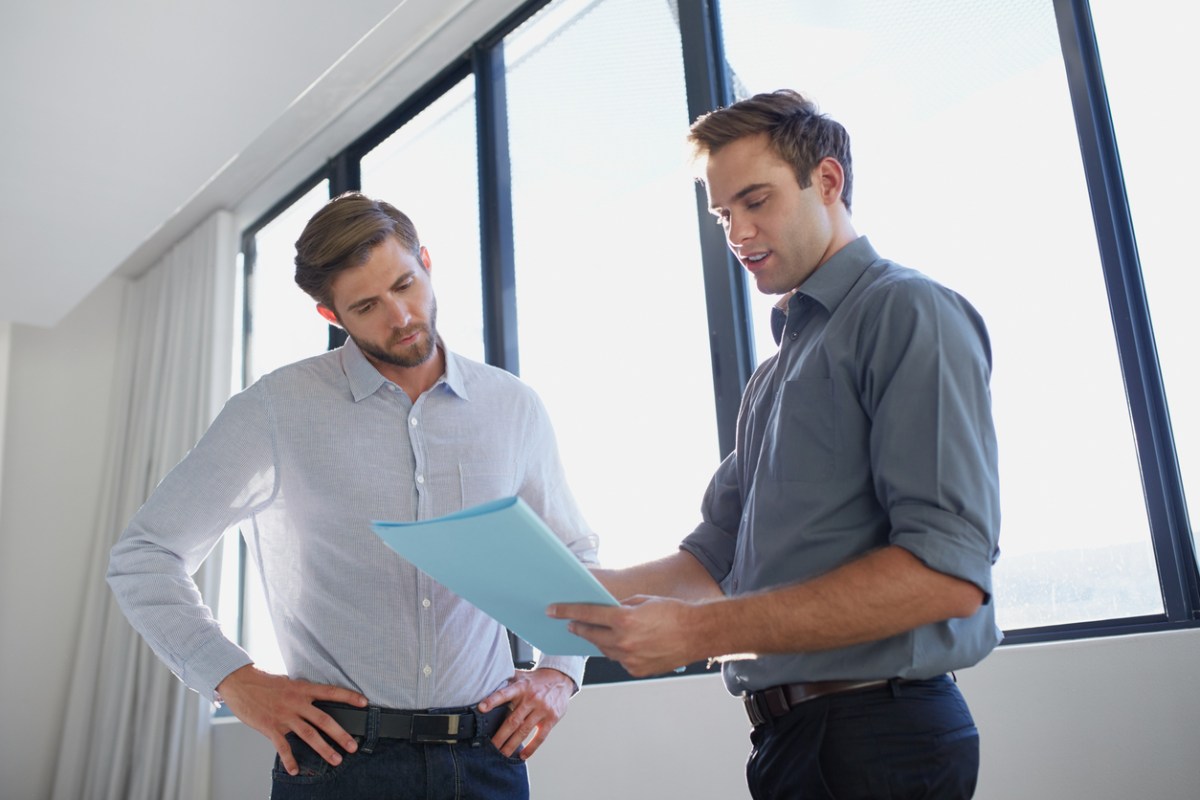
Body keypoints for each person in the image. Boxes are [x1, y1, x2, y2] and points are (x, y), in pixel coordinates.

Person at [550, 89, 1001, 799]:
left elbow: (945, 575)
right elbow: (713, 559)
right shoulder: (775, 374)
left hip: (878, 738)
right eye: (725, 213)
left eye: (756, 201)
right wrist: (550, 599)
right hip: (795, 743)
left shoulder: (906, 311)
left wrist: (698, 634)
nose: (738, 231)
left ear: (827, 181)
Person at [108, 192, 598, 799]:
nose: (401, 317)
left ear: (425, 260)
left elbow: (573, 549)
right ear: (330, 315)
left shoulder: (512, 407)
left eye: (406, 283)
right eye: (367, 305)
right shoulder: (276, 410)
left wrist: (560, 671)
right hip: (337, 765)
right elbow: (145, 556)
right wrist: (234, 680)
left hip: (488, 760)